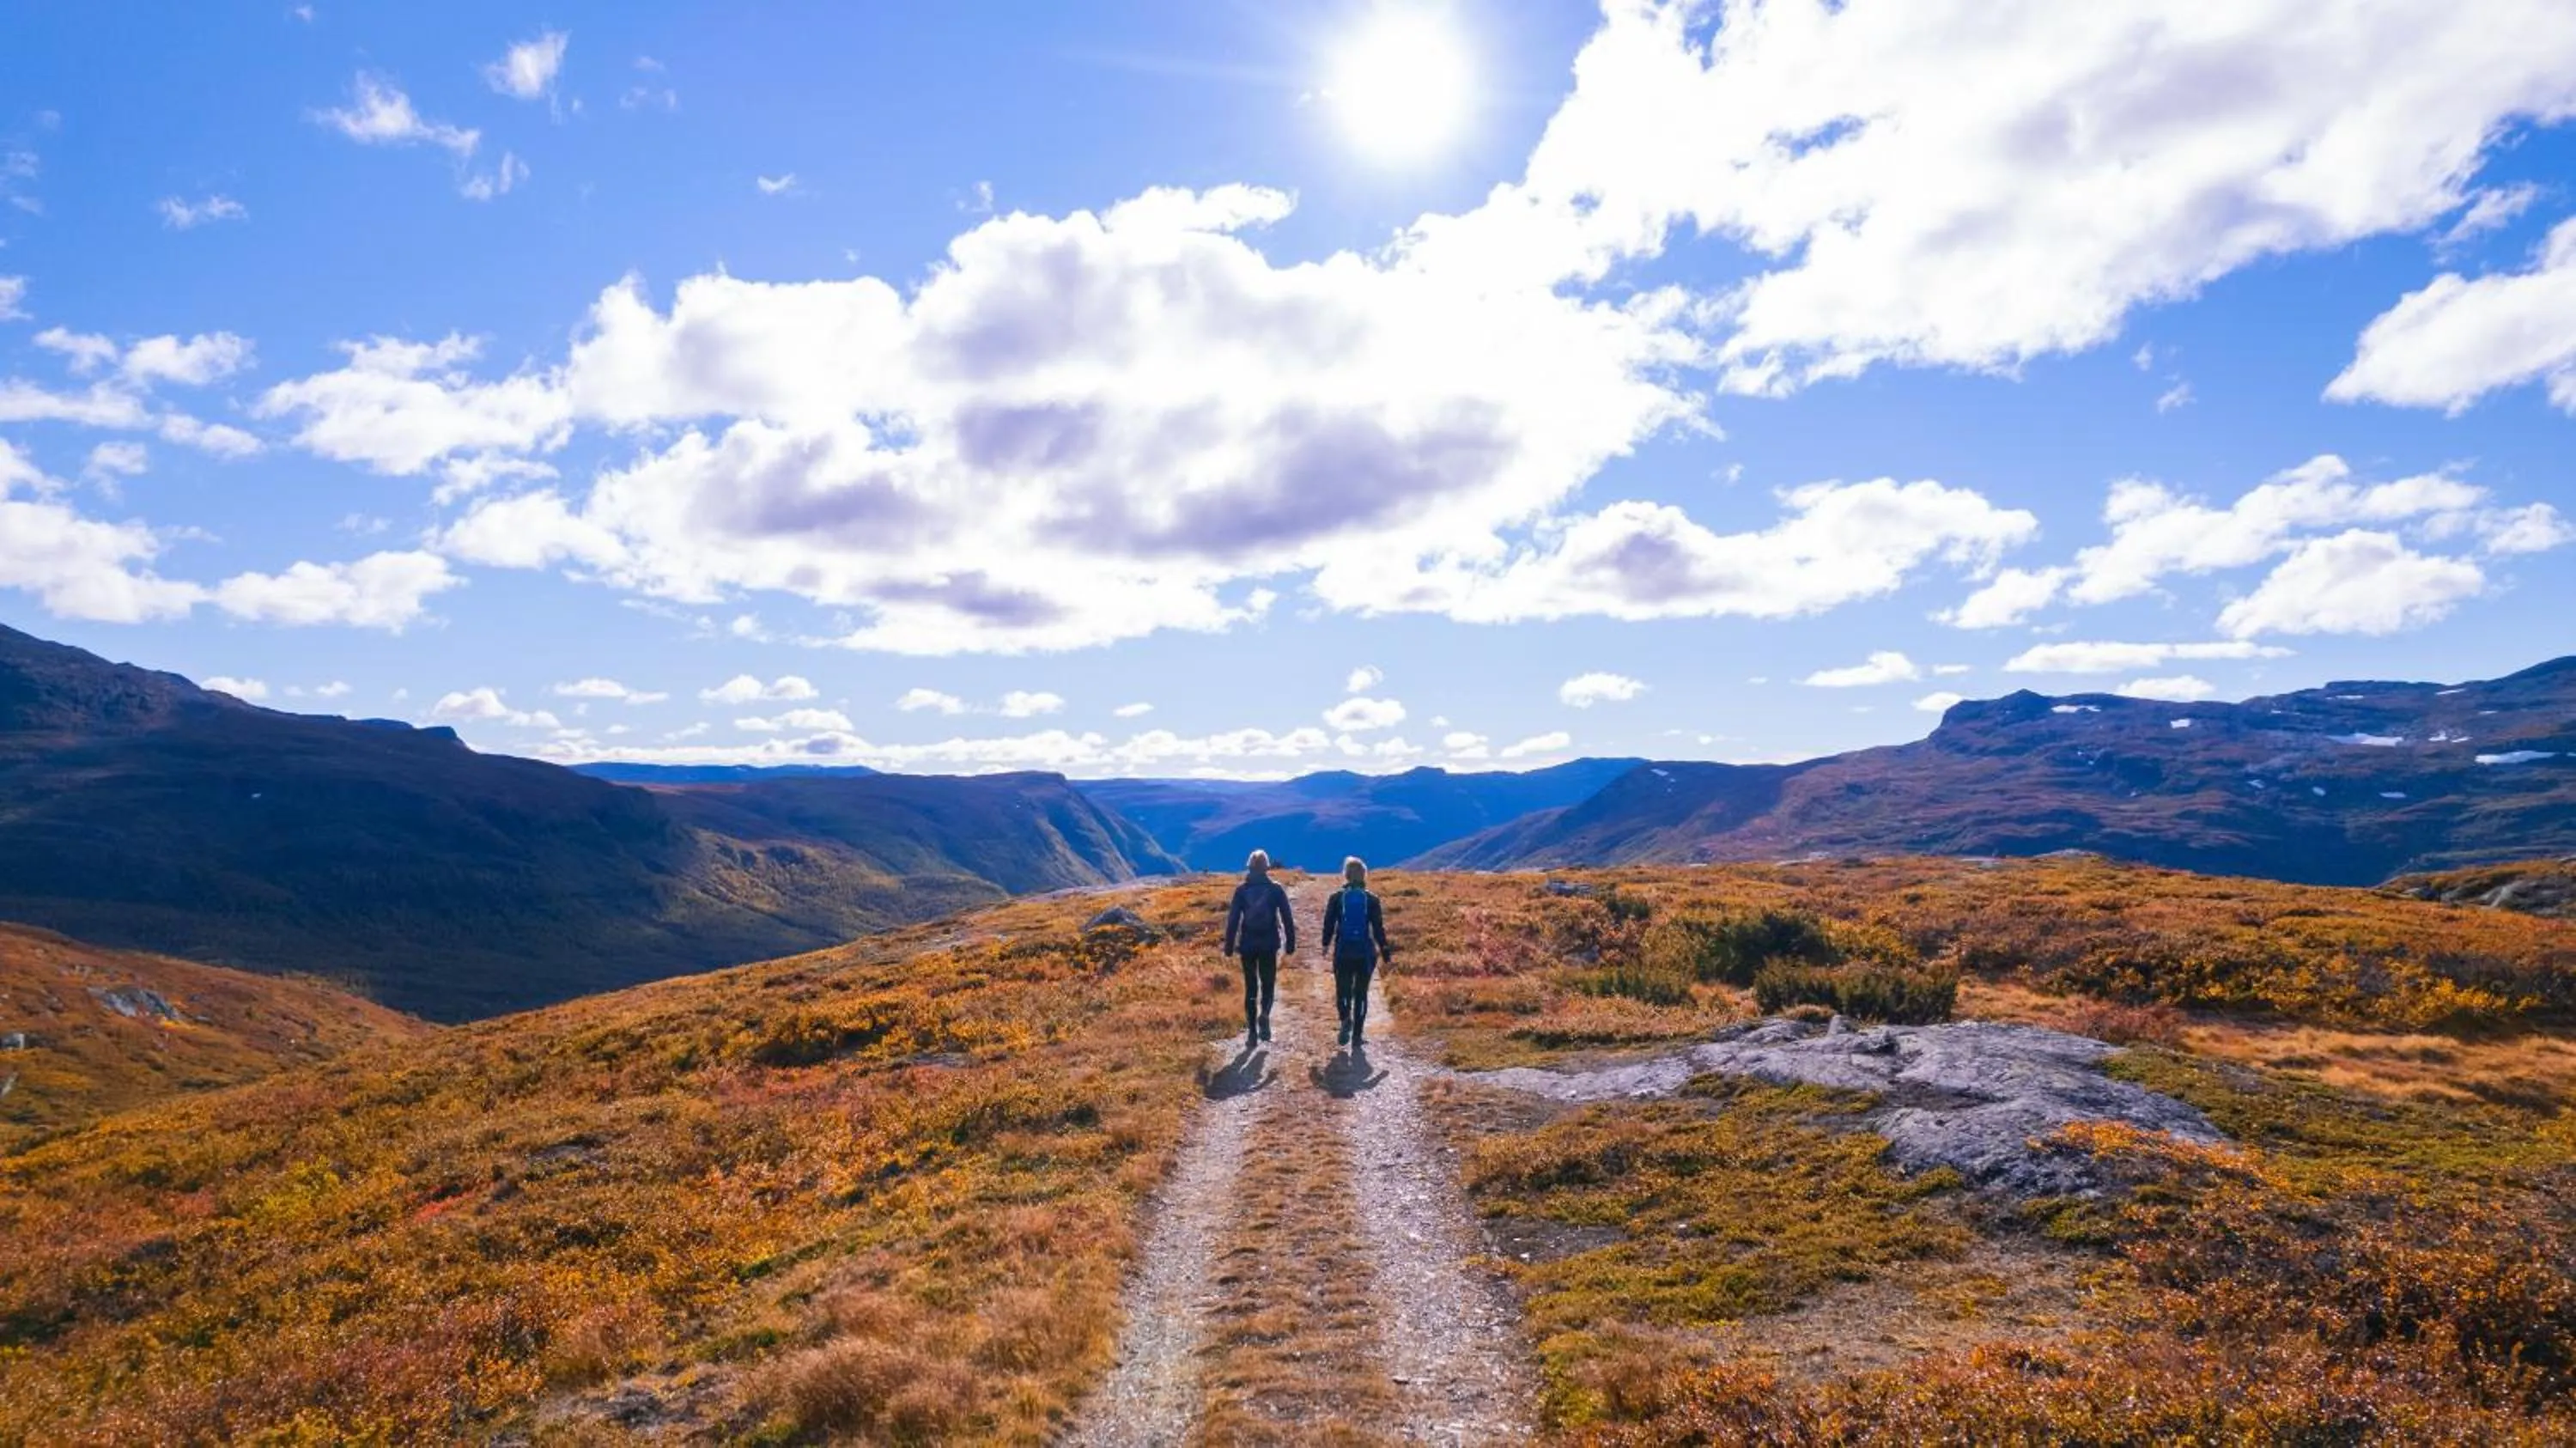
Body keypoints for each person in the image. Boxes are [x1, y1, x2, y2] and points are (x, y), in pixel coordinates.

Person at [1222, 849, 1294, 1047]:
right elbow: (1287, 917)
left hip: (1247, 945)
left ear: (1250, 867)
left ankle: (1252, 1033)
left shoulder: (1241, 891)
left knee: (1251, 987)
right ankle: (1265, 1015)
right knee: (1268, 984)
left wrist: (1229, 946)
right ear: (1266, 867)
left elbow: (1233, 921)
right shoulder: (1276, 889)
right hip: (1269, 944)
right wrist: (1290, 943)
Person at [1321, 856, 1392, 1049]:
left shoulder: (1336, 898)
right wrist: (1385, 952)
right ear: (1364, 875)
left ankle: (1345, 1018)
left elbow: (1329, 924)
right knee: (1361, 994)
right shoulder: (1372, 900)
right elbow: (1378, 929)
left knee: (1342, 990)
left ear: (1346, 874)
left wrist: (1326, 945)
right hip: (1365, 952)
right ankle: (1358, 1037)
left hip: (1343, 952)